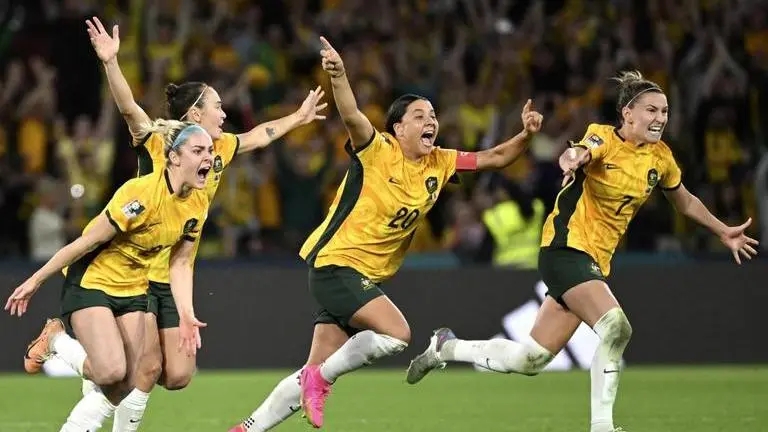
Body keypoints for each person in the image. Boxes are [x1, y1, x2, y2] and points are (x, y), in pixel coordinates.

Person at [405, 71, 760, 432]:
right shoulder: (604, 136)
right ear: (628, 114)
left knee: (531, 358)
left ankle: (446, 348)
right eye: (651, 110)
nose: (660, 118)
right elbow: (581, 150)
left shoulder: (661, 158)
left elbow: (683, 201)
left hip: (592, 262)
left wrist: (722, 230)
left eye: (665, 112)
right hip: (565, 248)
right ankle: (602, 427)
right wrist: (571, 158)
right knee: (616, 327)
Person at [22, 16, 327, 432]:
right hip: (139, 271)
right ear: (194, 114)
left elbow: (258, 136)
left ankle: (68, 354)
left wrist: (298, 117)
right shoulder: (161, 144)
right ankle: (80, 375)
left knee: (177, 375)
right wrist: (111, 63)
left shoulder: (218, 148)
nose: (224, 112)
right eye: (216, 105)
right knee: (136, 369)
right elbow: (130, 109)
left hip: (173, 266)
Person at [228, 36, 544, 431]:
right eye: (418, 115)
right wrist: (340, 75)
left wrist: (526, 136)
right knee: (397, 334)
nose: (430, 121)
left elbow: (496, 157)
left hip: (362, 275)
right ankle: (319, 380)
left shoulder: (440, 162)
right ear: (397, 128)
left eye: (432, 115)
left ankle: (247, 428)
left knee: (310, 371)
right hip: (336, 264)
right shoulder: (377, 149)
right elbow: (352, 114)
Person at [7, 119, 212, 432]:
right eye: (198, 150)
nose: (209, 157)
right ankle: (57, 341)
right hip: (93, 281)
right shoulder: (140, 195)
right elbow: (87, 241)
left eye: (210, 150)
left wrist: (186, 313)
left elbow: (181, 263)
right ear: (174, 157)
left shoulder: (197, 204)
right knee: (110, 372)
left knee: (128, 381)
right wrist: (36, 279)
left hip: (133, 289)